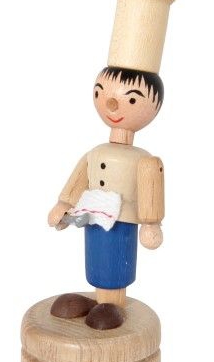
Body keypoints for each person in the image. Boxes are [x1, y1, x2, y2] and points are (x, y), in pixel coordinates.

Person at [47, 66, 165, 329]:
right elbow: (79, 178)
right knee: (97, 262)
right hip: (92, 219)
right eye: (102, 93)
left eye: (131, 100)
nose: (111, 104)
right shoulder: (95, 152)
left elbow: (151, 189)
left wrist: (151, 223)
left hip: (122, 225)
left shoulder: (144, 159)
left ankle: (113, 305)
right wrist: (64, 203)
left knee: (116, 265)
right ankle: (99, 302)